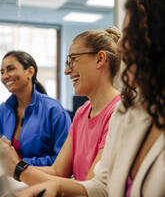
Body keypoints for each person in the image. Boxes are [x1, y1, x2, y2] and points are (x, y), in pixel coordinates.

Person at [16, 0, 165, 197]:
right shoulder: (128, 112)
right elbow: (102, 186)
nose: (120, 47)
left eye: (132, 35)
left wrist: (17, 167)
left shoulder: (116, 110)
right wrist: (55, 186)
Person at [0, 27, 121, 185]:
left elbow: (92, 190)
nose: (66, 70)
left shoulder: (119, 113)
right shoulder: (82, 112)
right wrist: (11, 166)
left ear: (100, 59)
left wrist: (17, 166)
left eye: (72, 60)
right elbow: (58, 171)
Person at [0, 50, 71, 167]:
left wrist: (20, 164)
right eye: (2, 72)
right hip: (9, 180)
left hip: (42, 180)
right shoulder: (3, 111)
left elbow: (64, 162)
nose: (5, 76)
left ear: (30, 72)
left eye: (10, 69)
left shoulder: (54, 110)